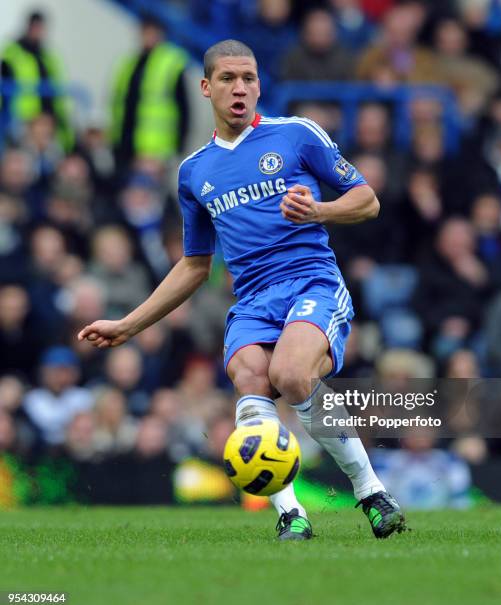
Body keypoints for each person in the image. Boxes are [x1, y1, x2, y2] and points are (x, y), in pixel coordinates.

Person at [78, 39, 406, 541]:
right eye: (228, 78)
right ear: (207, 88)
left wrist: (321, 210)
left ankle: (371, 491)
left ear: (259, 86)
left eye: (249, 78)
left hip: (311, 281)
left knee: (291, 375)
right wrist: (128, 324)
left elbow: (367, 200)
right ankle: (290, 513)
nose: (240, 88)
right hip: (252, 300)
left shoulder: (296, 135)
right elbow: (193, 265)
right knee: (251, 378)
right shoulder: (193, 172)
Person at [109, 15, 189, 169]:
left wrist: (179, 146)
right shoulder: (129, 62)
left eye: (151, 32)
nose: (147, 36)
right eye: (144, 31)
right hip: (125, 142)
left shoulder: (171, 63)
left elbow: (184, 108)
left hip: (155, 149)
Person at [0, 11, 72, 150]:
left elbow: (57, 87)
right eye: (35, 26)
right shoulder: (12, 52)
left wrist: (59, 116)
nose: (37, 31)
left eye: (40, 27)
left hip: (47, 116)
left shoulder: (49, 56)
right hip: (21, 117)